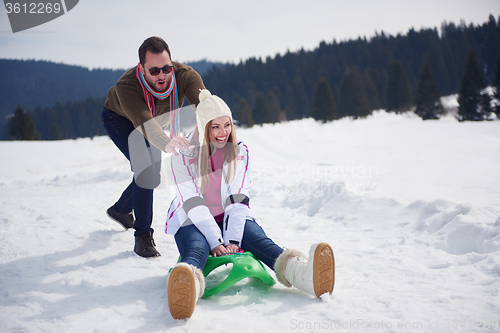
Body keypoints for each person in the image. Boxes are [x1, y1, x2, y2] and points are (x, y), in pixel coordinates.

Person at [165, 89, 335, 319]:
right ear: (204, 127)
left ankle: (304, 276)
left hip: (230, 215)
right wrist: (216, 241)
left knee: (260, 241)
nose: (223, 132)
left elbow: (238, 198)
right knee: (197, 247)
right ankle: (187, 286)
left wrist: (233, 239)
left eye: (227, 125)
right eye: (215, 127)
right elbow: (192, 202)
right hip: (190, 217)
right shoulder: (183, 155)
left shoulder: (239, 152)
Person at [102, 36, 205, 258]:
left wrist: (214, 129)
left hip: (155, 124)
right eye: (154, 70)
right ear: (142, 68)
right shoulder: (127, 85)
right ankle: (143, 237)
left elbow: (204, 106)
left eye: (166, 68)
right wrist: (167, 142)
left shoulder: (184, 76)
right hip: (121, 119)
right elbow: (143, 122)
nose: (162, 75)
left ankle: (120, 210)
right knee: (146, 171)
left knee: (153, 176)